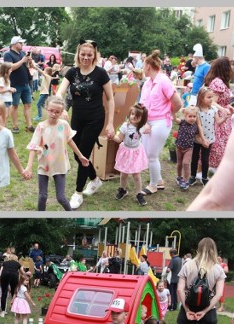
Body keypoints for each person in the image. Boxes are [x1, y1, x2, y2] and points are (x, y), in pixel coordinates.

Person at [56, 39, 115, 209]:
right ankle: (95, 179)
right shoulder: (72, 72)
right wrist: (63, 108)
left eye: (90, 55)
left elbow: (110, 99)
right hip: (77, 118)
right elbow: (60, 92)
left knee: (82, 154)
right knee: (77, 154)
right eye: (83, 54)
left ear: (94, 55)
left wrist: (110, 124)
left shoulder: (101, 73)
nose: (86, 57)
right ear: (78, 54)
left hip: (95, 118)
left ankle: (78, 192)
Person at [25, 95, 90, 210]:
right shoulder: (41, 127)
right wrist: (29, 167)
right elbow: (33, 147)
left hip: (59, 165)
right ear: (46, 108)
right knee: (42, 196)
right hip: (44, 165)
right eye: (51, 111)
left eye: (57, 112)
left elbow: (69, 140)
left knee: (60, 197)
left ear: (61, 112)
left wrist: (80, 156)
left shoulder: (64, 125)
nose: (54, 114)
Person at [139, 50, 182, 199]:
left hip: (161, 122)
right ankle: (159, 180)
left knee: (152, 155)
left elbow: (178, 103)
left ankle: (153, 185)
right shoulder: (147, 83)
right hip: (148, 122)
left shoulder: (163, 80)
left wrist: (168, 115)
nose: (142, 69)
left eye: (144, 66)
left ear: (149, 67)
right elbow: (142, 104)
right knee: (146, 152)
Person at [188, 87, 230, 186]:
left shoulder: (213, 109)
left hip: (209, 139)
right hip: (198, 139)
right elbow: (198, 126)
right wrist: (202, 140)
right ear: (201, 98)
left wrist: (224, 118)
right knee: (194, 158)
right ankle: (193, 176)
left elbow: (218, 122)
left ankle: (204, 177)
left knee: (205, 159)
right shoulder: (197, 110)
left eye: (212, 97)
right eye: (209, 97)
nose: (212, 99)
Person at [111, 103, 150, 205]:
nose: (133, 116)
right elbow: (119, 138)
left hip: (136, 152)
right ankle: (122, 190)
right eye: (132, 114)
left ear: (142, 118)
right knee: (124, 174)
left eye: (137, 116)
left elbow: (147, 128)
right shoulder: (125, 126)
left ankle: (139, 193)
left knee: (136, 174)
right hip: (126, 152)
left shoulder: (141, 127)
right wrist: (112, 137)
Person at [205, 57, 234, 169]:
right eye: (229, 67)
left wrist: (229, 107)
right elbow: (212, 101)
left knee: (221, 145)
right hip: (218, 118)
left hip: (223, 117)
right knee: (218, 145)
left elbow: (221, 101)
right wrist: (222, 109)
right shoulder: (217, 82)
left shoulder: (220, 81)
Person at [3, 36, 35, 134]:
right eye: (20, 43)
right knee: (15, 106)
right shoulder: (8, 54)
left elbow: (29, 66)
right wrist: (22, 61)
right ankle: (15, 126)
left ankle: (29, 125)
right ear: (14, 44)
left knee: (28, 104)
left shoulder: (22, 53)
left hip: (25, 83)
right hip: (15, 84)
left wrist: (29, 61)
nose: (22, 45)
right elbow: (10, 67)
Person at [173, 106, 201, 190]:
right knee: (179, 163)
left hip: (189, 148)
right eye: (190, 116)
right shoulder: (182, 122)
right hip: (179, 147)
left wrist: (203, 141)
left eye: (194, 116)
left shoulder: (196, 126)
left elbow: (197, 136)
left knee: (186, 163)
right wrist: (173, 112)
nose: (192, 118)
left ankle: (185, 181)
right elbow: (175, 119)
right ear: (185, 116)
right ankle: (179, 177)